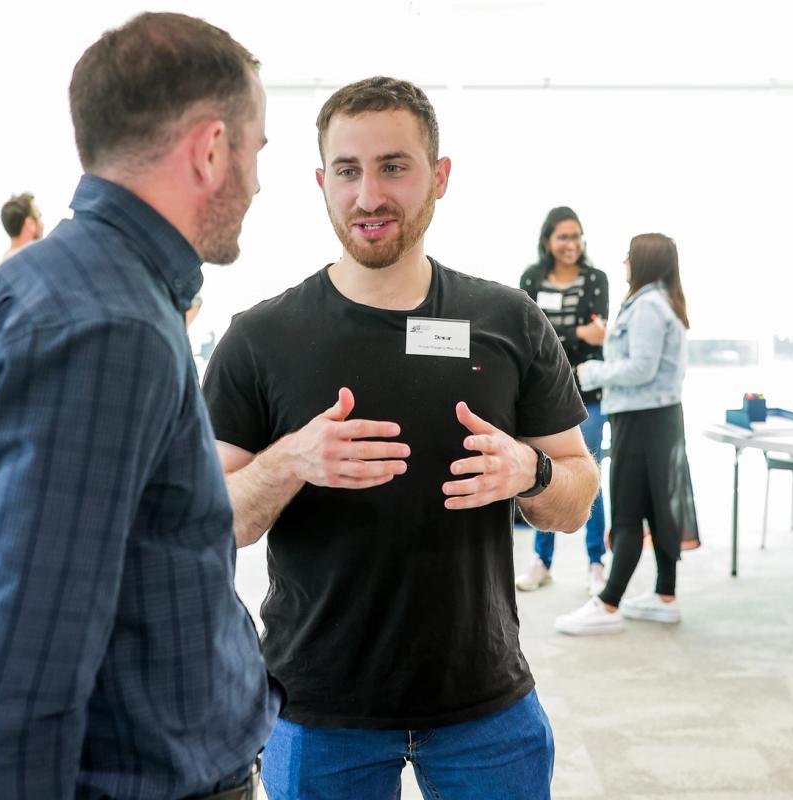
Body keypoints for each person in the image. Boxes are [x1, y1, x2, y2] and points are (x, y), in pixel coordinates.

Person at [202, 76, 598, 799]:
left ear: (439, 177)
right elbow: (208, 521)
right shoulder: (260, 339)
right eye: (347, 172)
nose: (369, 196)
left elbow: (578, 492)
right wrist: (290, 461)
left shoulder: (507, 321)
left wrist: (531, 471)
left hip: (485, 701)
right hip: (317, 709)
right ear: (321, 182)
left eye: (394, 167)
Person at [0, 13, 279, 799]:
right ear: (212, 149)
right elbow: (20, 680)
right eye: (257, 152)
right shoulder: (107, 330)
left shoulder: (58, 285)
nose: (258, 180)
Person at [555, 233, 699, 635]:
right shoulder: (657, 301)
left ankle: (609, 601)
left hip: (642, 419)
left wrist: (592, 371)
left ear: (645, 261)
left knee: (630, 509)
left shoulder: (648, 306)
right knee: (656, 506)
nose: (623, 263)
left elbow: (641, 369)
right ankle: (664, 596)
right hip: (657, 418)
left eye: (629, 256)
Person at [516, 207, 610, 595]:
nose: (571, 244)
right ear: (547, 241)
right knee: (543, 476)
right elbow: (526, 332)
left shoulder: (596, 279)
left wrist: (552, 332)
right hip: (542, 394)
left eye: (577, 236)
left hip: (588, 394)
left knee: (589, 474)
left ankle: (596, 562)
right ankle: (542, 561)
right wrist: (575, 333)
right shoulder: (531, 278)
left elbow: (598, 334)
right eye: (563, 237)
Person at [0, 191, 43, 260]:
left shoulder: (4, 265)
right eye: (39, 217)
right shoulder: (39, 258)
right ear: (30, 224)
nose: (42, 224)